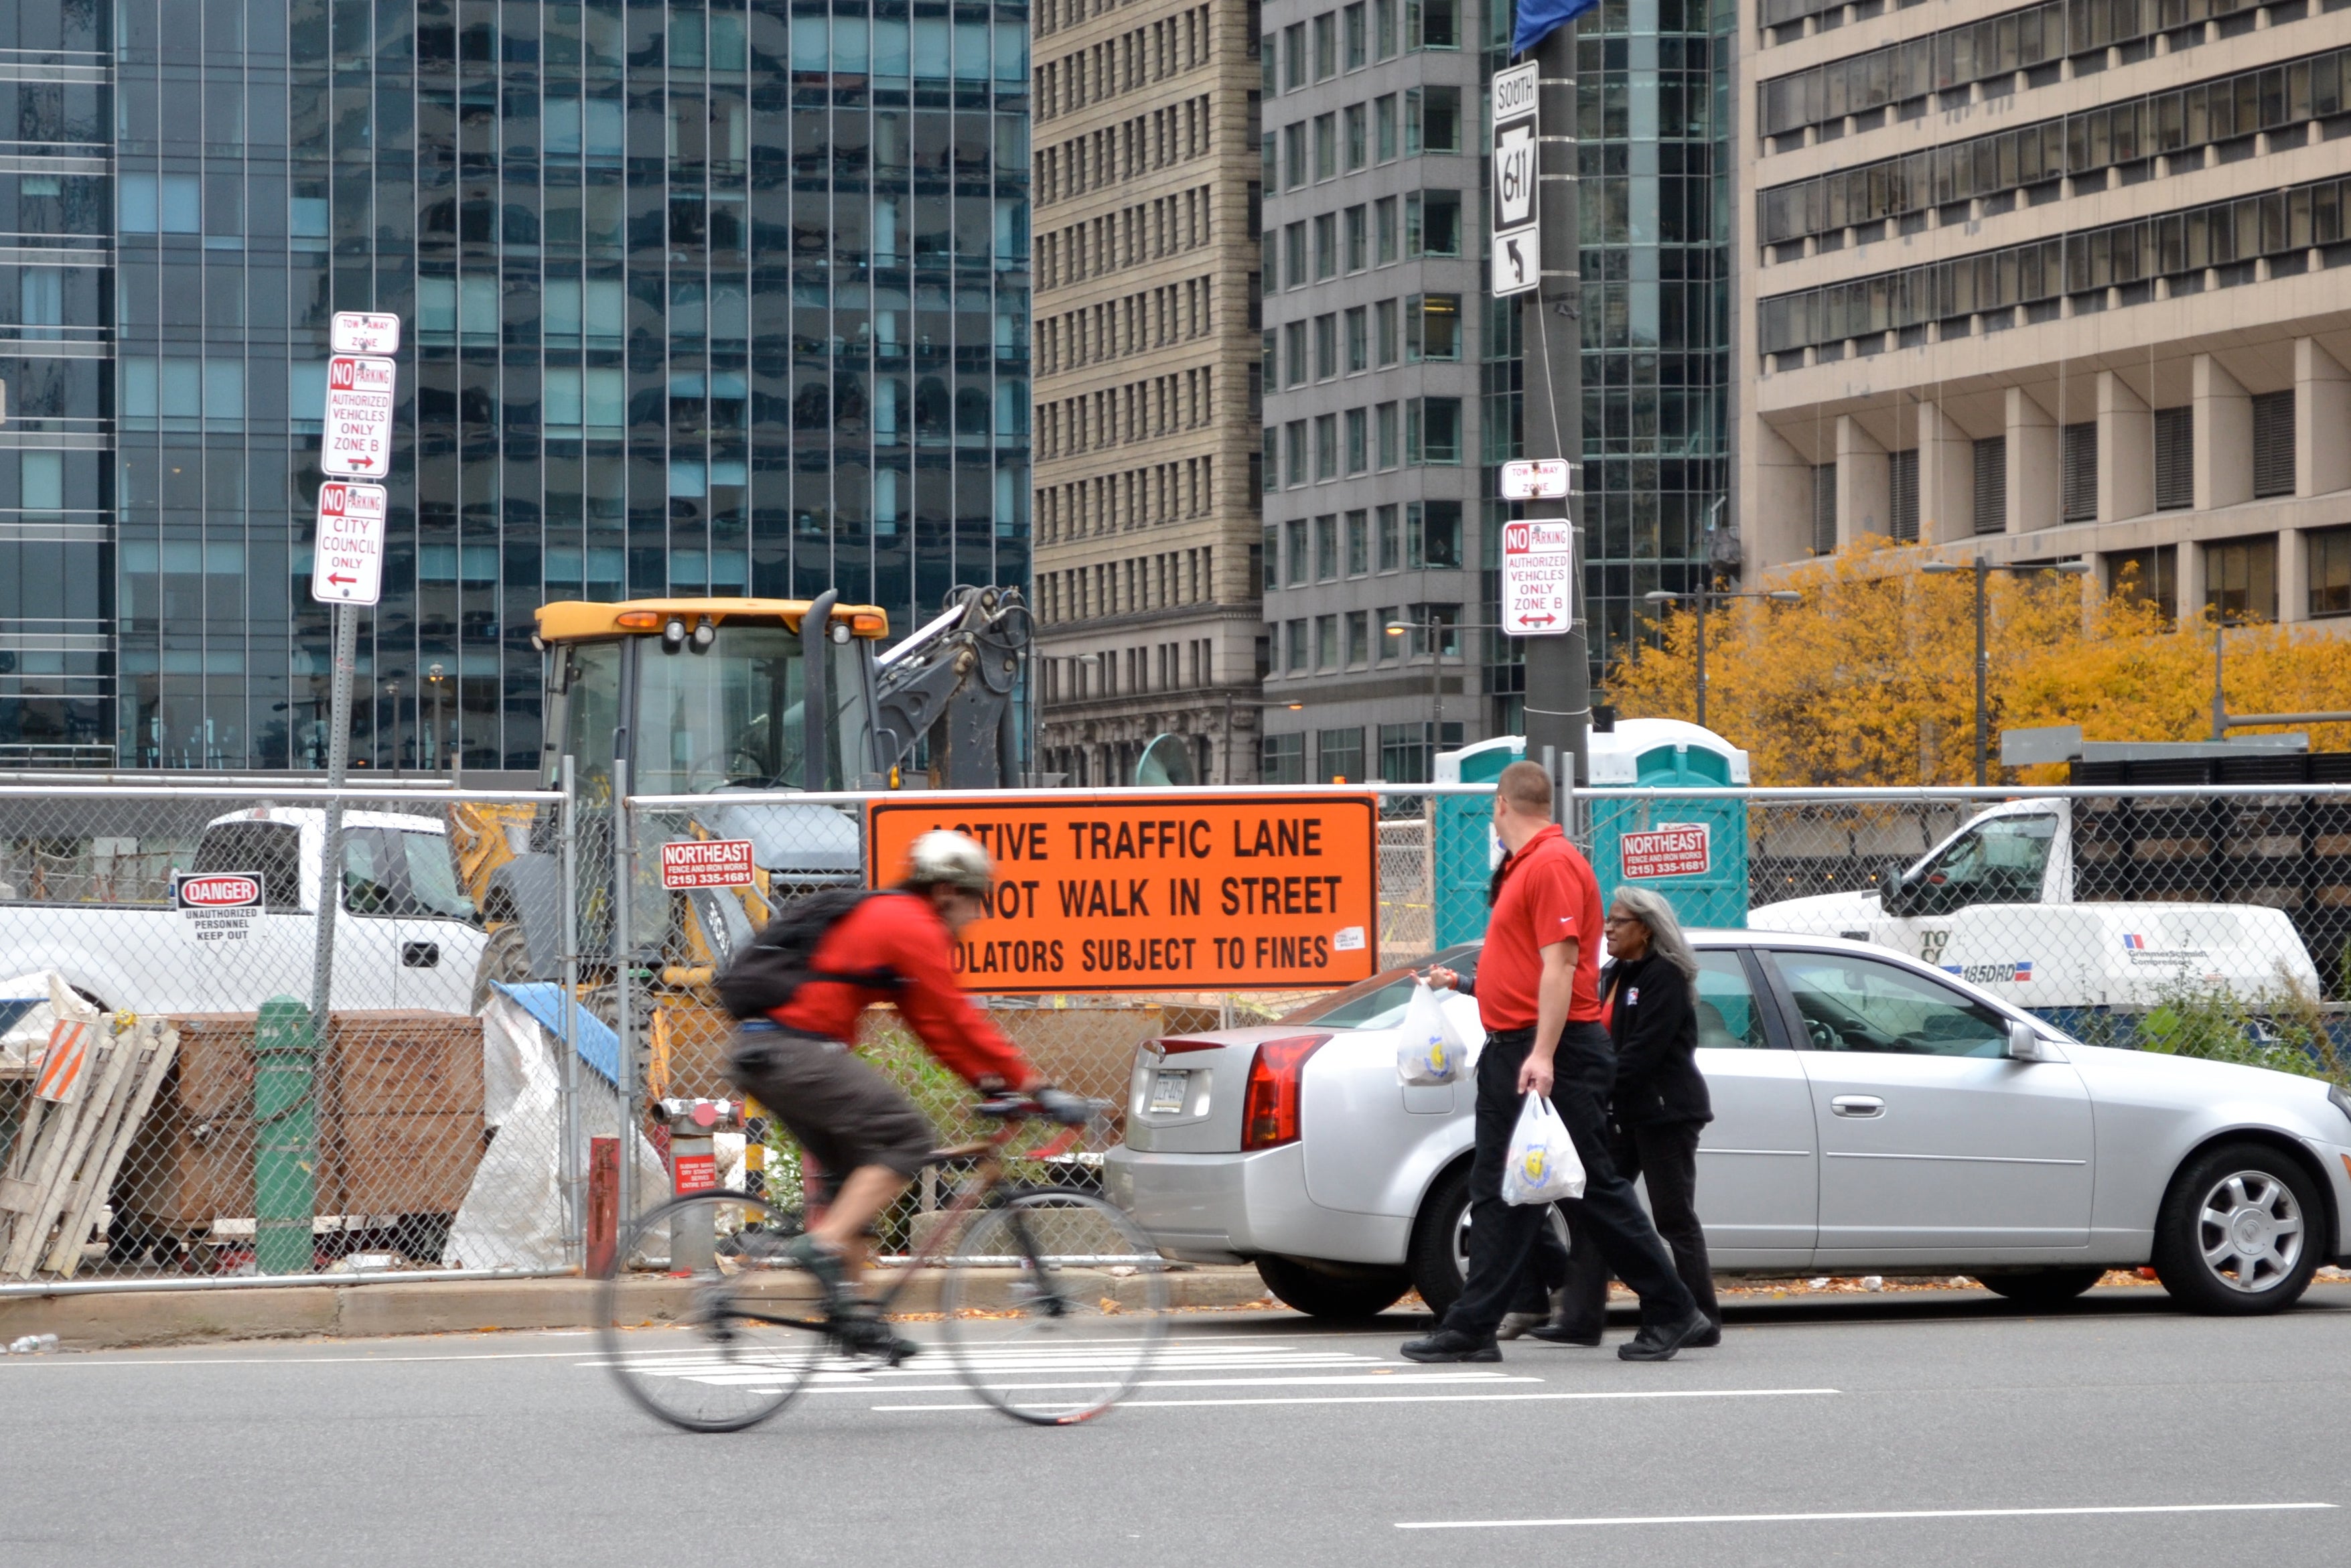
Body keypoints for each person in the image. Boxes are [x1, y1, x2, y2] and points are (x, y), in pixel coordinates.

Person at [724, 829, 1092, 1356]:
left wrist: (989, 1083)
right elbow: (960, 1015)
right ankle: (825, 1245)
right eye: (977, 900)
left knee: (854, 1174)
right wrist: (1037, 1086)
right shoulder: (914, 926)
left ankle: (856, 1318)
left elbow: (935, 1028)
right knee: (905, 1137)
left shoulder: (891, 918)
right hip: (797, 1051)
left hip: (765, 1051)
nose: (979, 914)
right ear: (947, 892)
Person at [1402, 761, 1711, 1364]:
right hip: (1516, 1046)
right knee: (1499, 1189)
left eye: (1493, 807)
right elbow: (1525, 966)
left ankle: (1673, 1307)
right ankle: (1473, 1326)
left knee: (1593, 1187)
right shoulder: (1526, 866)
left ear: (1501, 804)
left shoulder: (1552, 863)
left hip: (1554, 1049)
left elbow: (1562, 963)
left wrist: (1542, 1054)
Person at [1543, 885, 1721, 1348]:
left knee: (1673, 1217)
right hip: (1623, 1111)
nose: (1607, 928)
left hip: (1665, 1112)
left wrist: (1592, 1083)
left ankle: (1699, 1316)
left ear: (1645, 926)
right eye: (1607, 919)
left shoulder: (1665, 978)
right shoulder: (1615, 974)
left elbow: (1641, 1054)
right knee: (1597, 1209)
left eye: (1618, 921)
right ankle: (1579, 1319)